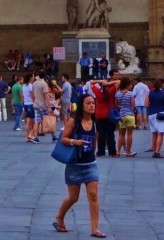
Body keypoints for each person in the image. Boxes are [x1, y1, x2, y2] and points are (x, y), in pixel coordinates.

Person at [53, 94, 105, 238]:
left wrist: (93, 154)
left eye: (93, 103)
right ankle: (59, 218)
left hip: (90, 164)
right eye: (88, 103)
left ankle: (95, 229)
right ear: (82, 106)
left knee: (93, 195)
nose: (92, 106)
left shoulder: (95, 123)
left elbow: (94, 141)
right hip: (75, 164)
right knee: (73, 198)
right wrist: (75, 142)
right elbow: (63, 138)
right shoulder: (73, 121)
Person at [147, 78, 164, 158]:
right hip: (161, 113)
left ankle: (154, 148)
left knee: (154, 132)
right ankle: (157, 152)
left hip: (151, 113)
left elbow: (146, 104)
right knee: (161, 132)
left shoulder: (149, 93)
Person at [114, 77, 137, 157]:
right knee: (129, 134)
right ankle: (128, 152)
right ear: (127, 85)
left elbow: (116, 105)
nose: (131, 86)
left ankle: (118, 151)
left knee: (121, 135)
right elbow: (133, 105)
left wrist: (121, 106)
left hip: (121, 115)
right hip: (130, 115)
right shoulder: (131, 94)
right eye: (131, 85)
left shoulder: (117, 94)